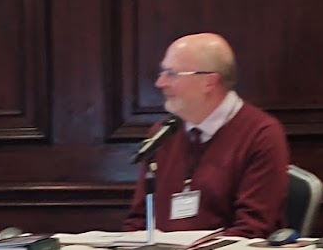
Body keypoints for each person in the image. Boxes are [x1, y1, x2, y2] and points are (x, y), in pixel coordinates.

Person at [121, 33, 289, 238]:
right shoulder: (162, 135)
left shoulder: (261, 134)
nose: (160, 83)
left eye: (172, 74)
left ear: (209, 81)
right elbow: (139, 220)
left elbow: (252, 229)